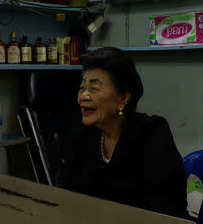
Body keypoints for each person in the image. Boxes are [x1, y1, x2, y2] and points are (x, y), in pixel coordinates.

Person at [61, 47, 188, 219]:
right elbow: (67, 195)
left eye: (94, 89)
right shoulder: (84, 135)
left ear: (123, 98)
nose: (83, 96)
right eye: (82, 87)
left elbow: (167, 211)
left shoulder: (152, 134)